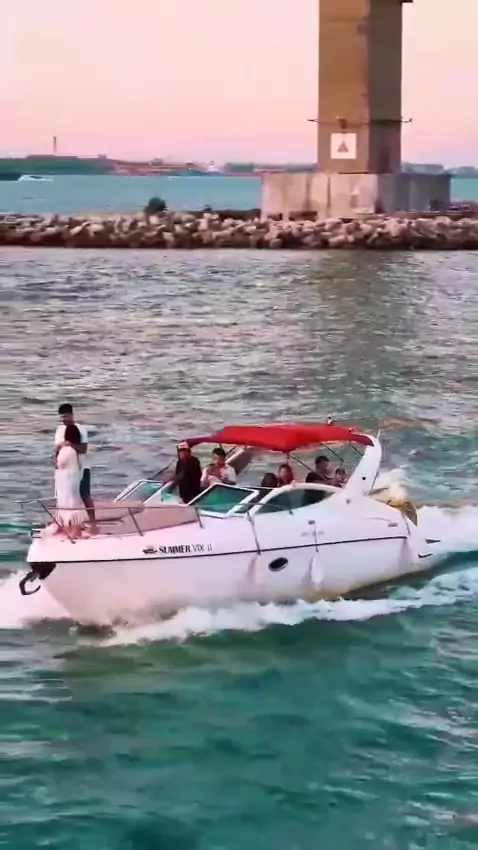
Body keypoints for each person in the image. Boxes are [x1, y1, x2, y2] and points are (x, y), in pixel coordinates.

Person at [54, 403, 95, 523]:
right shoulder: (60, 430)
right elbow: (57, 448)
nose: (64, 419)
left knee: (84, 494)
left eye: (66, 416)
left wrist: (70, 444)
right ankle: (64, 520)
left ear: (72, 415)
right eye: (62, 417)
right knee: (63, 494)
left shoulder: (80, 429)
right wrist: (55, 459)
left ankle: (92, 521)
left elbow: (83, 449)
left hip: (81, 466)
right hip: (64, 468)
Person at [54, 424, 88, 536]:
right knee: (73, 501)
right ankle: (72, 528)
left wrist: (57, 452)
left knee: (67, 502)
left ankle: (73, 530)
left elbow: (59, 463)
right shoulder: (76, 450)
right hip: (74, 478)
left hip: (66, 480)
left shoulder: (67, 450)